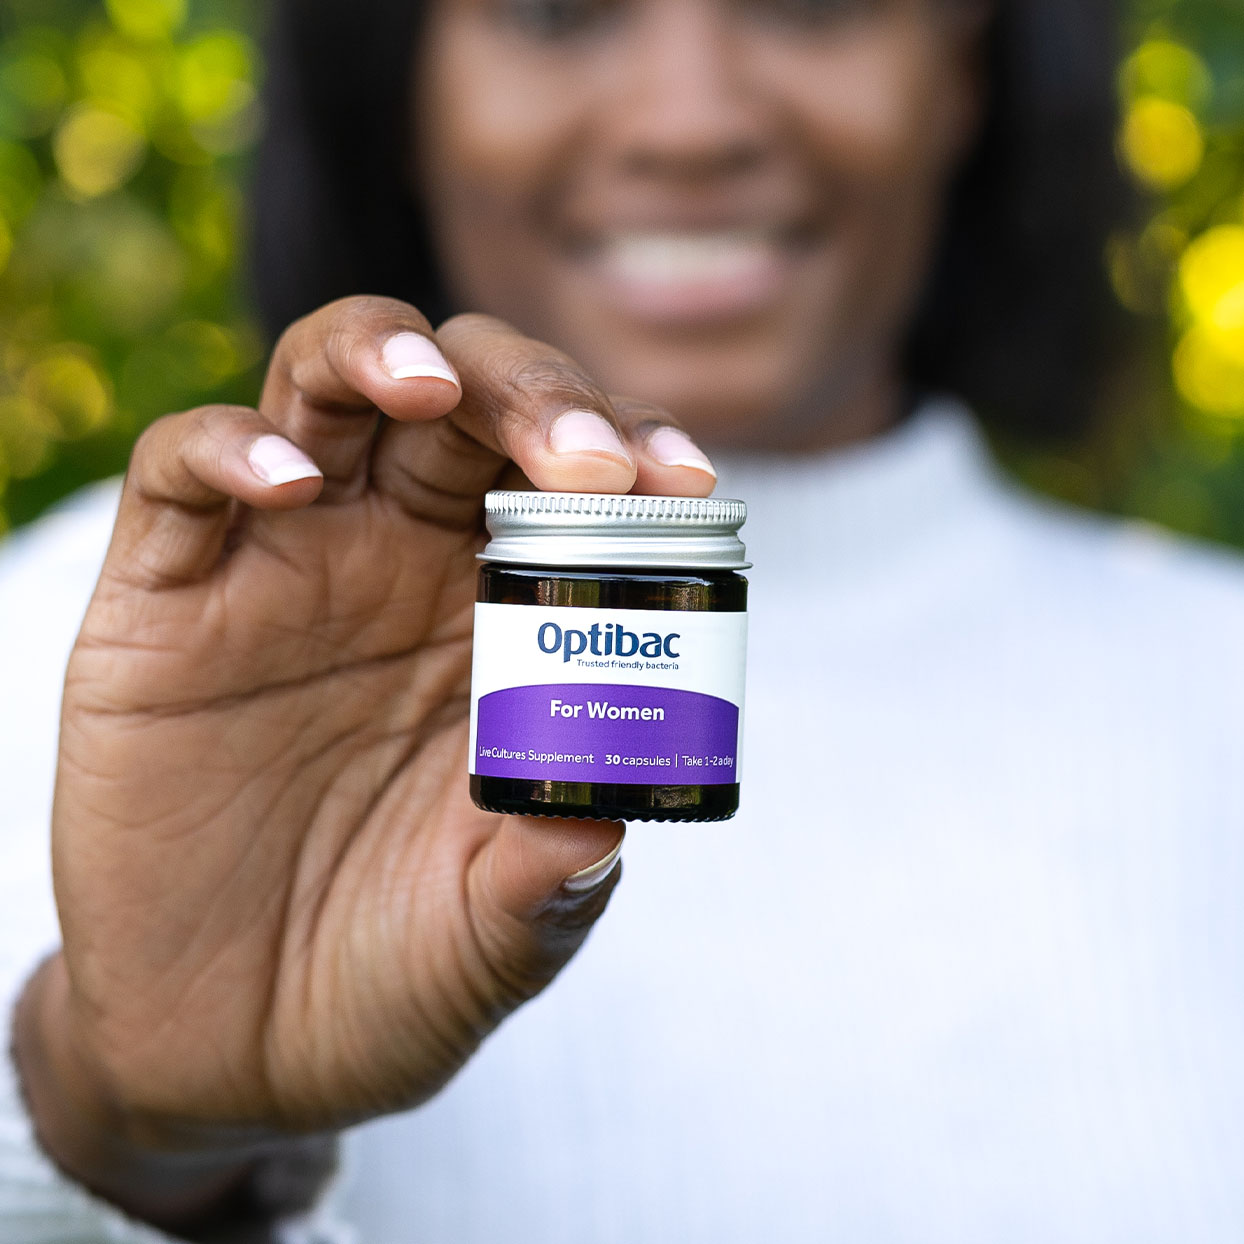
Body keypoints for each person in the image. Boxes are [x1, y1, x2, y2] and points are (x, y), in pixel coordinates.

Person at [4, 0, 1243, 1241]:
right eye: (554, 14)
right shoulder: (111, 644)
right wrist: (116, 1117)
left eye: (811, 8)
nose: (689, 122)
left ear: (970, 63)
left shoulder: (1211, 676)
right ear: (396, 86)